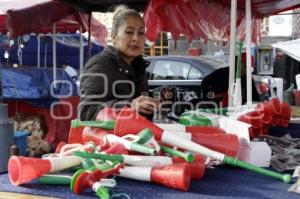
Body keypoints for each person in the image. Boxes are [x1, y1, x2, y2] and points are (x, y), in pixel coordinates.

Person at [79, 5, 159, 121]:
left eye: (141, 33)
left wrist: (150, 105)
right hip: (106, 138)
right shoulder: (100, 65)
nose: (136, 38)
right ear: (114, 36)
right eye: (129, 32)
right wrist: (129, 106)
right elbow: (86, 112)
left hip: (133, 137)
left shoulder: (138, 66)